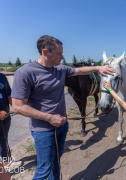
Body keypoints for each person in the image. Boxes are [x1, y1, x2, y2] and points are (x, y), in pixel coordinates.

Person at [11, 35, 115, 180]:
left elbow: (80, 71)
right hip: (43, 131)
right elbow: (18, 107)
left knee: (56, 162)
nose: (63, 57)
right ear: (46, 52)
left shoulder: (60, 69)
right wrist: (49, 117)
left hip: (62, 125)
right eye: (59, 53)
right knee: (44, 168)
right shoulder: (25, 73)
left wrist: (98, 68)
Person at [0, 73, 22, 169]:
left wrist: (18, 107)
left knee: (3, 139)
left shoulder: (2, 76)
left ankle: (6, 161)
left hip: (5, 115)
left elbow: (9, 93)